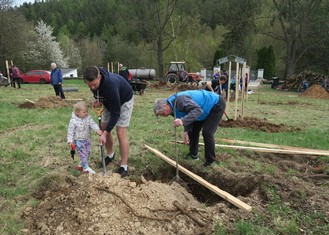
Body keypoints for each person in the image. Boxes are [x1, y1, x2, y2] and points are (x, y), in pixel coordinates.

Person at [84, 66, 134, 177]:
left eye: (94, 84)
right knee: (103, 126)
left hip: (124, 100)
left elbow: (116, 113)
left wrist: (105, 134)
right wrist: (98, 100)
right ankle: (110, 155)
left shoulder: (111, 85)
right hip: (109, 100)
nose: (92, 87)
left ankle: (124, 166)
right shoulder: (93, 83)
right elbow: (98, 93)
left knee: (120, 132)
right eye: (89, 85)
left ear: (100, 77)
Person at [154, 90, 226, 167]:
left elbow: (197, 111)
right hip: (201, 109)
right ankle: (193, 154)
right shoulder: (171, 107)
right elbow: (187, 113)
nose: (163, 116)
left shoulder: (180, 100)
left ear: (165, 106)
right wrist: (186, 130)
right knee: (192, 131)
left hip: (215, 105)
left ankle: (210, 160)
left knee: (207, 132)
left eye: (162, 114)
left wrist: (182, 121)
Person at [67, 101, 103, 174]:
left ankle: (81, 164)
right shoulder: (73, 121)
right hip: (78, 141)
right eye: (84, 112)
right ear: (77, 113)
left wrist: (98, 130)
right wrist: (70, 141)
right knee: (83, 154)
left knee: (88, 152)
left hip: (86, 139)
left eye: (86, 111)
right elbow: (70, 131)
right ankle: (85, 168)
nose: (86, 113)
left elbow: (93, 124)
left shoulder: (88, 118)